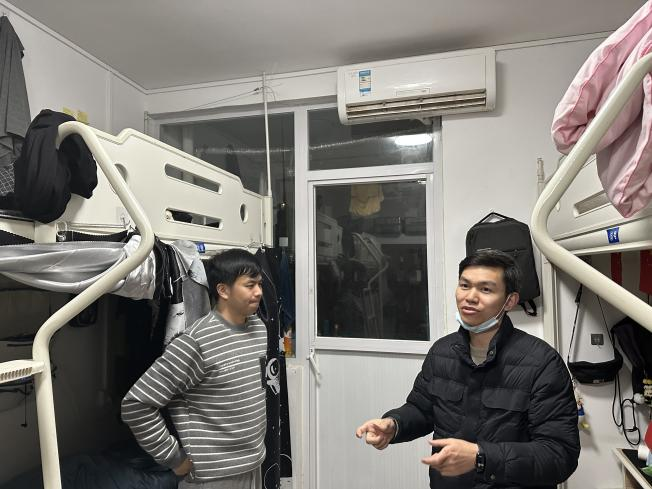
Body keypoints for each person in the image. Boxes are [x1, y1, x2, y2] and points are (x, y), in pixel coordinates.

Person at [355, 249, 580, 489]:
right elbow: (422, 408)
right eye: (464, 285)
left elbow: (559, 455)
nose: (470, 297)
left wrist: (481, 458)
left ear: (510, 301)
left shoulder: (542, 363)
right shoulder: (442, 352)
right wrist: (394, 424)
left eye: (486, 289)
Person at [122, 248, 268, 489]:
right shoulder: (195, 342)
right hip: (212, 477)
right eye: (250, 285)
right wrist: (174, 458)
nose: (259, 292)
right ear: (223, 290)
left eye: (260, 284)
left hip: (253, 465)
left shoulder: (259, 329)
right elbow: (136, 404)